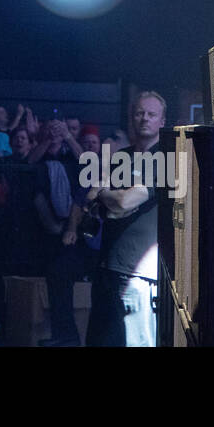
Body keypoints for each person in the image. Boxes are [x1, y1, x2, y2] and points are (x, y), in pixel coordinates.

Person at [85, 91, 165, 347]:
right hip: (107, 268)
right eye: (140, 113)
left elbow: (123, 202)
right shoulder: (121, 157)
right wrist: (106, 196)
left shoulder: (167, 159)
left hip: (137, 275)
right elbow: (90, 197)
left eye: (152, 114)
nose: (145, 119)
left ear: (162, 121)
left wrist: (106, 194)